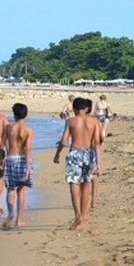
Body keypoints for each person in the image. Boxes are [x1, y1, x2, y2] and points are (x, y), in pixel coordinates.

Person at [54, 97, 102, 230]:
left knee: (74, 185)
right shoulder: (95, 122)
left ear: (74, 109)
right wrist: (98, 163)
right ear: (86, 109)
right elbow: (97, 143)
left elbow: (63, 141)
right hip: (89, 153)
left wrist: (57, 154)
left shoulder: (71, 121)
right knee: (85, 184)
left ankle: (78, 216)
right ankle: (83, 216)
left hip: (75, 153)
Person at [2, 103, 33, 229]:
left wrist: (3, 158)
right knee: (21, 190)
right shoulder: (28, 130)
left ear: (14, 114)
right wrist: (27, 167)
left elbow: (3, 144)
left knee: (10, 189)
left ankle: (10, 214)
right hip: (22, 159)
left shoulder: (9, 127)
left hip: (11, 158)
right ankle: (19, 219)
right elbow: (27, 148)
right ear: (25, 115)